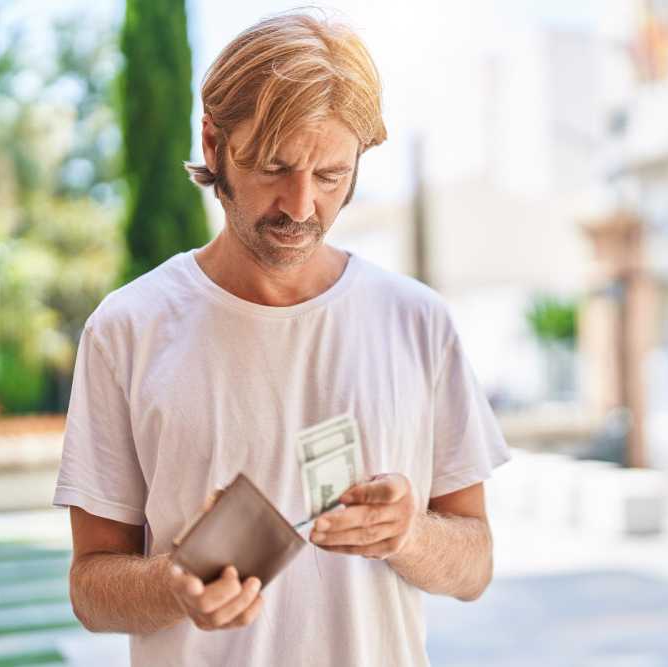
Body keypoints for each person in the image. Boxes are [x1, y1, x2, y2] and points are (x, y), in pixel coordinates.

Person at [53, 10, 510, 666]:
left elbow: (476, 564)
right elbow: (91, 586)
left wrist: (407, 533)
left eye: (329, 175)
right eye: (274, 167)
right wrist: (174, 583)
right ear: (213, 145)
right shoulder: (126, 329)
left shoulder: (419, 321)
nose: (300, 206)